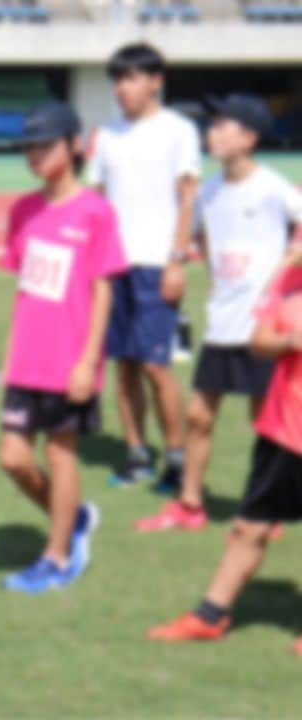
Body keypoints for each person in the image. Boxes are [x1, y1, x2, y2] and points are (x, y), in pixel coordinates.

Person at [136, 94, 302, 532]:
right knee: (198, 416)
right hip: (222, 322)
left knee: (264, 423)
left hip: (260, 329)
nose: (211, 132)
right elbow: (193, 237)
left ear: (248, 138)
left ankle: (269, 510)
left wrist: (289, 262)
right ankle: (190, 504)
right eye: (211, 124)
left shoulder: (272, 187)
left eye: (222, 125)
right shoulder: (208, 191)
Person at [0, 101, 128, 593]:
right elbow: (25, 289)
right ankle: (72, 518)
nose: (34, 154)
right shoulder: (23, 211)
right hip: (27, 360)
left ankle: (56, 558)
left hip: (71, 361)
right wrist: (12, 356)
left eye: (45, 145)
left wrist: (88, 361)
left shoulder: (96, 212)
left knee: (59, 454)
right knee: (12, 458)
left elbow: (102, 289)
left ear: (74, 146)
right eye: (28, 146)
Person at [147, 247, 302, 648]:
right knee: (250, 525)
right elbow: (259, 341)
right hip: (283, 430)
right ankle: (209, 616)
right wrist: (288, 339)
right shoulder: (288, 283)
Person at [87, 42, 201, 491]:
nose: (122, 88)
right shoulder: (107, 136)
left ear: (156, 81)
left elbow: (188, 196)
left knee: (157, 366)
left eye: (132, 78)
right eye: (117, 80)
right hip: (113, 266)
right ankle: (136, 453)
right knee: (124, 365)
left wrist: (177, 259)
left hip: (157, 263)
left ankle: (174, 457)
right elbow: (95, 200)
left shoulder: (179, 130)